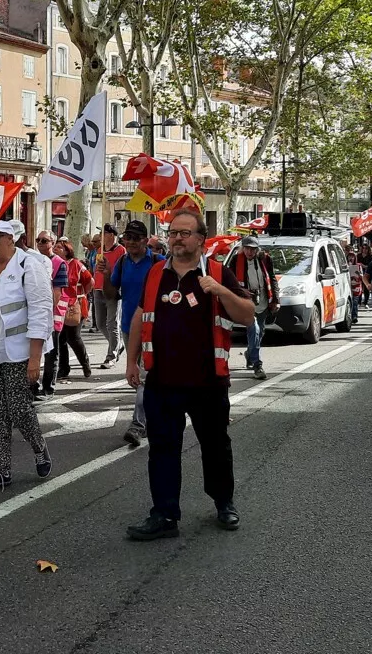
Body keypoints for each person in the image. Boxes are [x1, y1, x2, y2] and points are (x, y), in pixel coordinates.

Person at [125, 209, 257, 541]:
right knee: (162, 448)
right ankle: (164, 514)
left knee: (215, 446)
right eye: (173, 232)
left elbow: (247, 315)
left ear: (201, 239)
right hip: (162, 381)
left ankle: (223, 503)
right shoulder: (156, 273)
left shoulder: (217, 272)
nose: (177, 238)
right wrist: (131, 361)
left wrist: (219, 291)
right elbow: (141, 317)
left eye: (185, 233)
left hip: (207, 382)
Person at [0, 219, 53, 491]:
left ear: (10, 239)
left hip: (18, 352)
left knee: (18, 408)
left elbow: (41, 312)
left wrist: (35, 358)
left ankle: (39, 447)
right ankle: (2, 471)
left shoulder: (30, 267)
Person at [111, 220, 163, 445]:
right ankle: (151, 419)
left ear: (145, 240)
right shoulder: (122, 262)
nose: (130, 242)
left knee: (144, 377)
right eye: (127, 238)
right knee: (142, 377)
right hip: (129, 327)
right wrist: (103, 274)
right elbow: (111, 293)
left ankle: (137, 424)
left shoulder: (159, 262)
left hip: (156, 327)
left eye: (135, 238)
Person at [225, 236, 278, 380]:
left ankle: (250, 353)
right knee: (254, 329)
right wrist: (242, 292)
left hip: (263, 301)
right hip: (246, 302)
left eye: (253, 249)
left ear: (257, 249)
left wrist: (276, 300)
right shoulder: (236, 260)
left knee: (259, 332)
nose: (249, 252)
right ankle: (257, 365)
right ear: (243, 248)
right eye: (247, 248)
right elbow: (229, 281)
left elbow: (272, 278)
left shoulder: (265, 259)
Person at [33, 230, 68, 398]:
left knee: (51, 351)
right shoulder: (32, 260)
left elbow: (58, 292)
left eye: (44, 240)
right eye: (38, 240)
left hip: (53, 313)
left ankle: (48, 387)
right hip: (37, 311)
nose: (40, 243)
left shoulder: (59, 263)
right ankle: (33, 385)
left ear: (52, 243)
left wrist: (46, 309)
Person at [53, 239, 94, 381]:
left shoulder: (76, 264)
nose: (56, 249)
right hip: (60, 305)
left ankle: (85, 362)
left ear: (67, 250)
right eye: (55, 246)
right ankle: (64, 369)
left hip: (75, 305)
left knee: (74, 337)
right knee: (61, 339)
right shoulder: (55, 263)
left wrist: (82, 295)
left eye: (59, 247)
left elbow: (90, 281)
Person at [95, 224, 125, 368]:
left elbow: (122, 270)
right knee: (100, 323)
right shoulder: (100, 250)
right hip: (98, 289)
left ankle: (111, 356)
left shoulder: (121, 250)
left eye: (104, 233)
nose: (101, 236)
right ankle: (118, 344)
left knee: (112, 323)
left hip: (113, 290)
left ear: (112, 235)